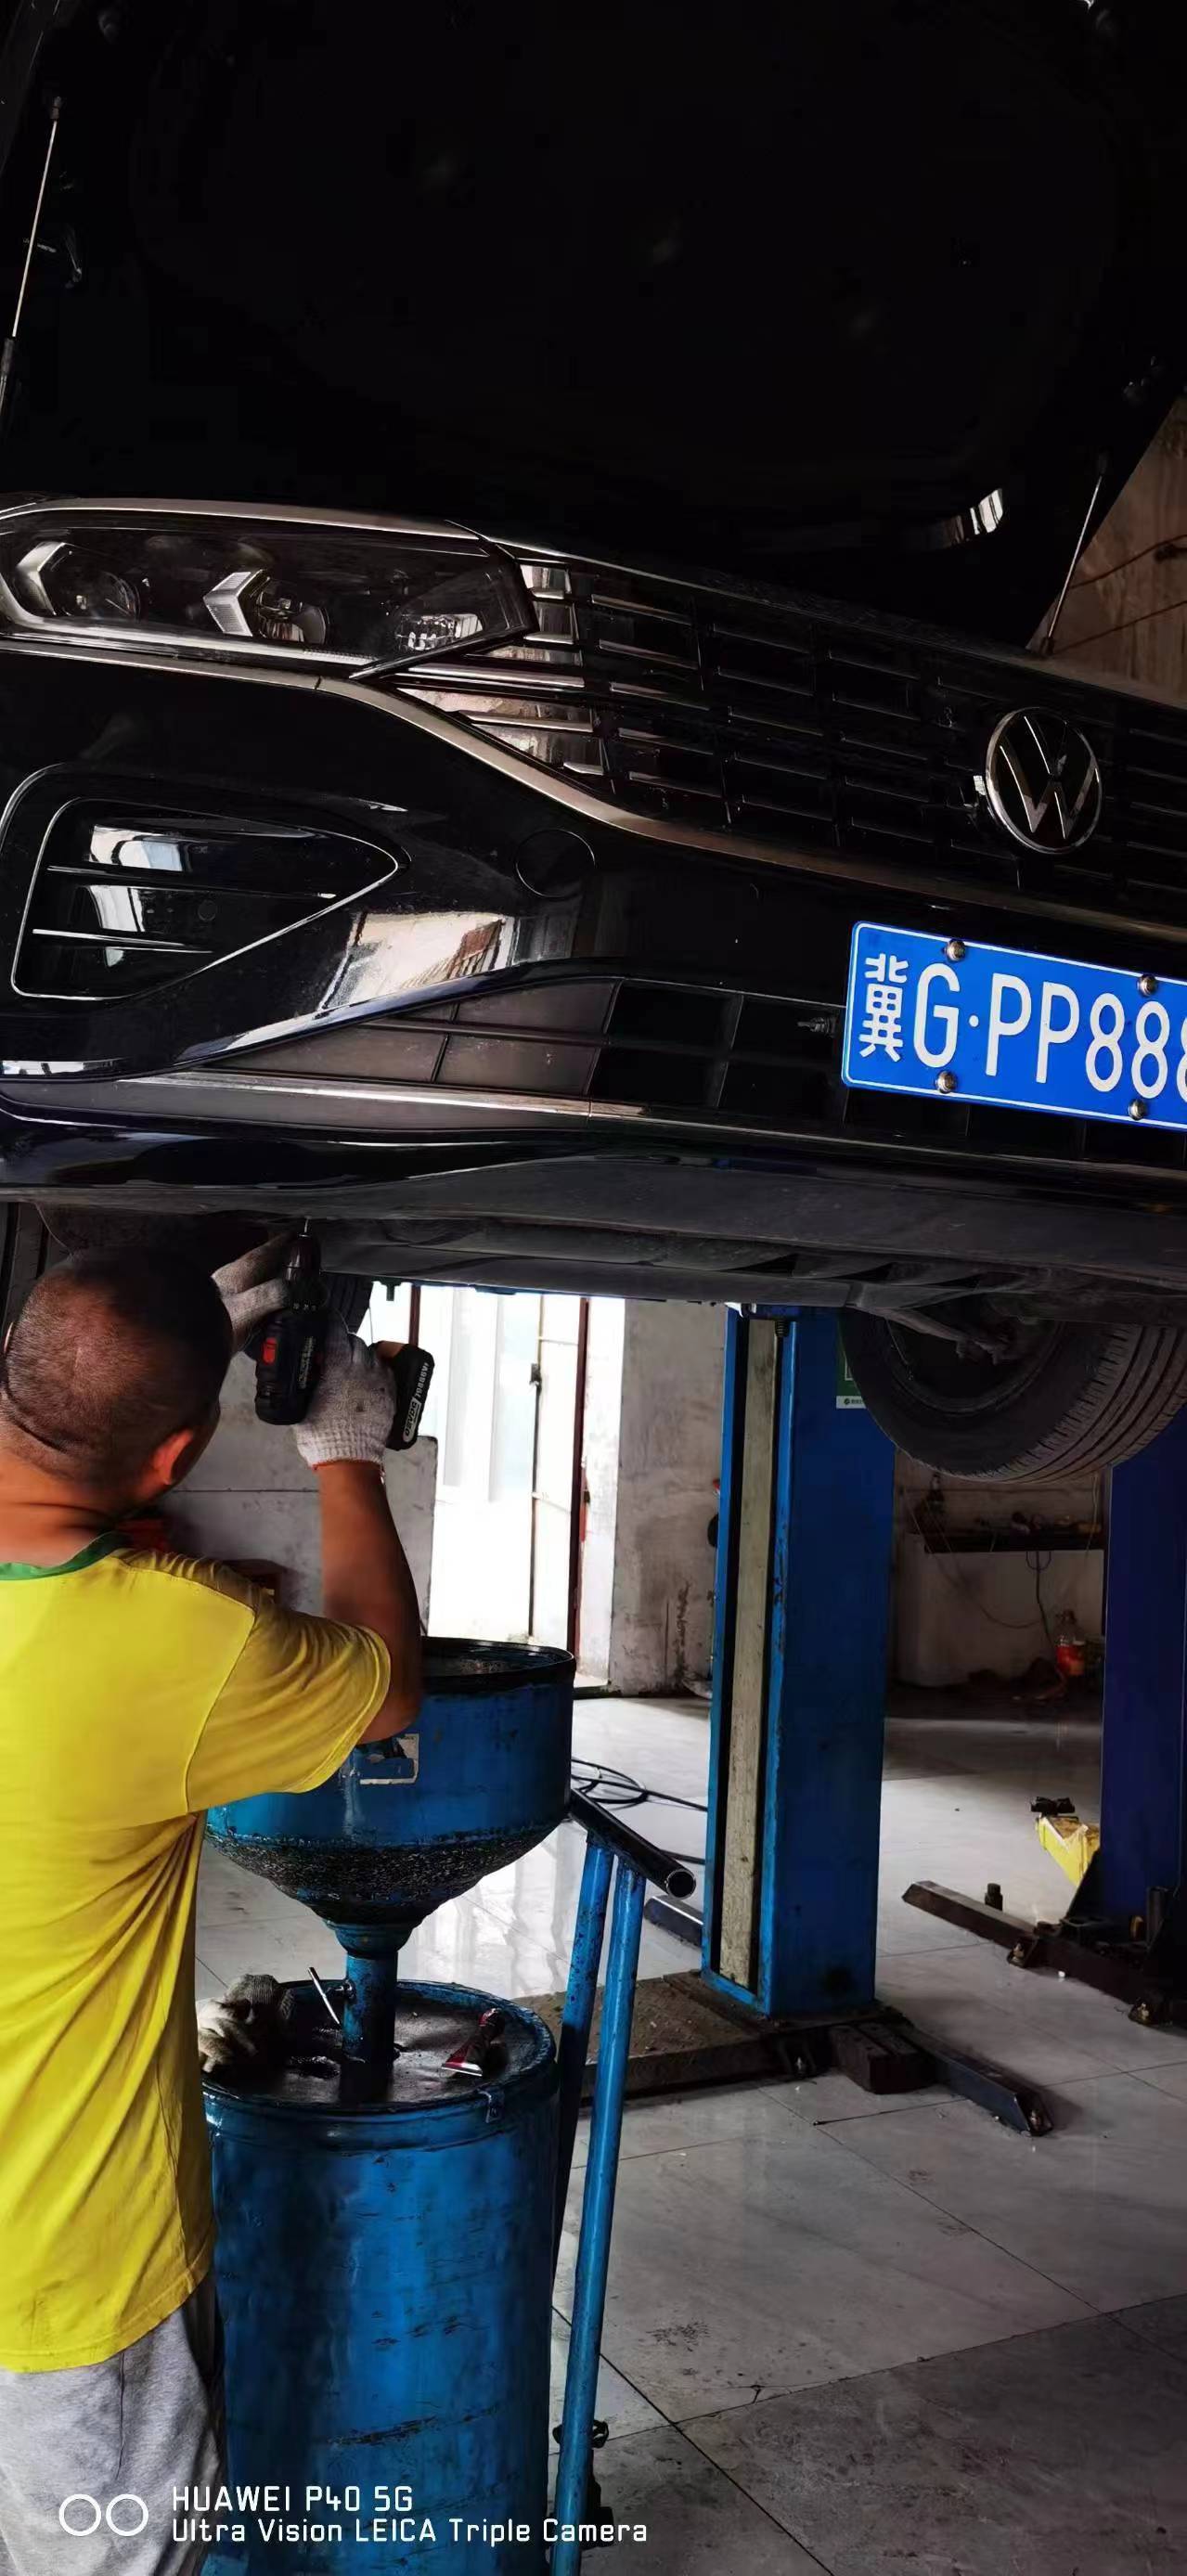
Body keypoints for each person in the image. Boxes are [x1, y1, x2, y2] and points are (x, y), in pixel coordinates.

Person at [0, 1240, 422, 2576]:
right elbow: (387, 1686)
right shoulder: (180, 1643)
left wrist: (164, 1356)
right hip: (69, 2276)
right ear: (180, 1454)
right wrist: (345, 1456)